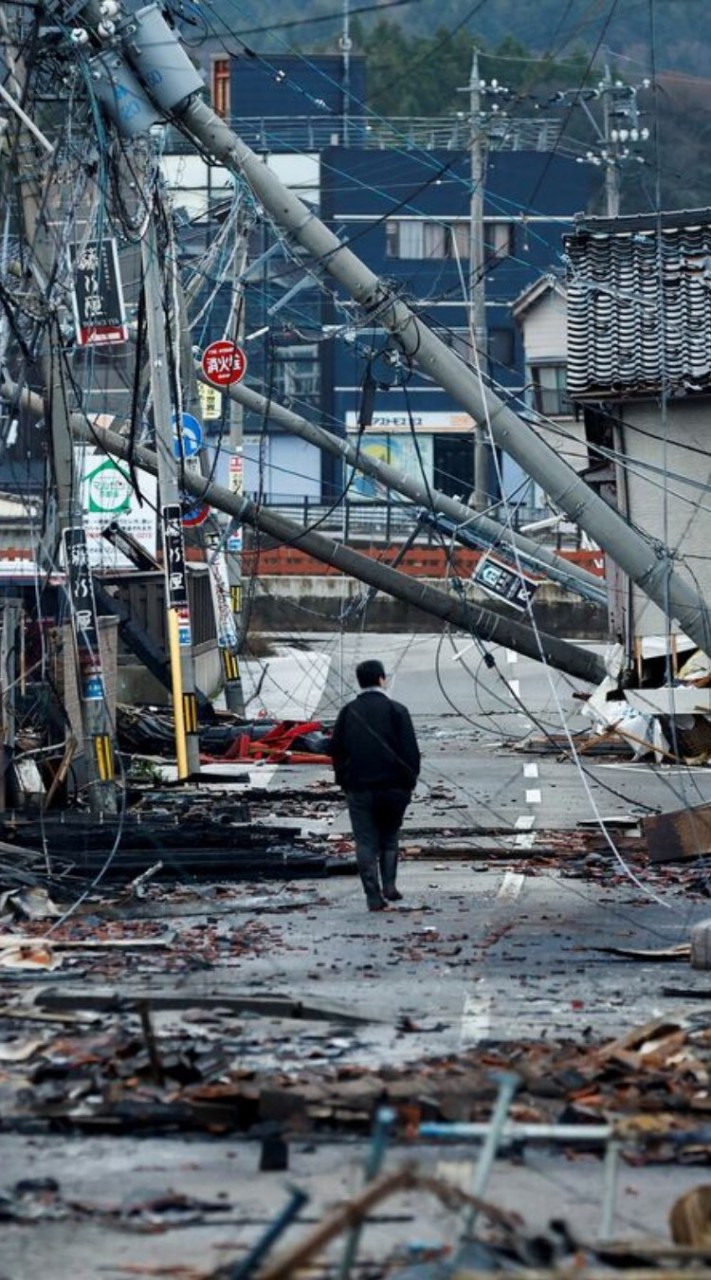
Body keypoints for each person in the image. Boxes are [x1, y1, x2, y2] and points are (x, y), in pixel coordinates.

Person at [330, 659, 420, 911]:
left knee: (366, 841)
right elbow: (411, 751)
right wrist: (408, 782)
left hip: (359, 788)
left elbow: (336, 750)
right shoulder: (397, 711)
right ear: (382, 679)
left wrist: (344, 781)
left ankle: (373, 895)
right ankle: (390, 885)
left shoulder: (348, 712)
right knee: (389, 837)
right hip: (394, 788)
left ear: (360, 681)